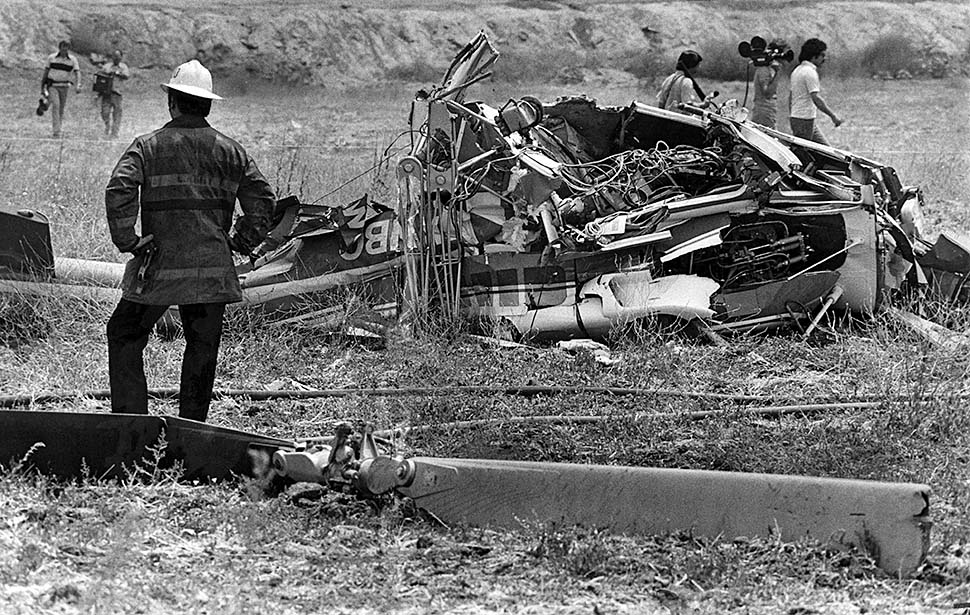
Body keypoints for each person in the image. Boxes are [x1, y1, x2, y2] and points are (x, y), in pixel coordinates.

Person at [104, 59, 275, 422]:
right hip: (211, 272)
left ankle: (134, 427)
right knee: (202, 346)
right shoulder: (232, 151)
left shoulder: (147, 147)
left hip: (158, 267)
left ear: (172, 101)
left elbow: (120, 187)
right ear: (208, 104)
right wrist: (242, 241)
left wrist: (129, 239)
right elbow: (263, 200)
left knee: (124, 333)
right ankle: (190, 430)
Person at [789, 38, 843, 145]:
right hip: (805, 120)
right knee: (804, 154)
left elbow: (790, 97)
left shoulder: (797, 70)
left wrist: (793, 115)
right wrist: (833, 117)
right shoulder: (809, 73)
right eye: (822, 55)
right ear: (814, 57)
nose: (824, 58)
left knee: (827, 151)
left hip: (801, 119)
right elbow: (816, 99)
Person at [41, 41, 81, 138]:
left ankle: (45, 105)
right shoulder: (52, 58)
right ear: (59, 47)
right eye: (63, 47)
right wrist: (42, 87)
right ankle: (56, 132)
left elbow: (77, 72)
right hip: (53, 85)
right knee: (56, 105)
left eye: (67, 47)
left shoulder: (72, 60)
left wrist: (78, 84)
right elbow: (46, 72)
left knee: (60, 109)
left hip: (64, 87)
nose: (65, 49)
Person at [749, 39, 790, 129]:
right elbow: (768, 93)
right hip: (764, 114)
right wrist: (778, 73)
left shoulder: (768, 69)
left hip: (767, 112)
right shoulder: (764, 70)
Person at [96, 50, 131, 138]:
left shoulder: (123, 67)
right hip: (106, 93)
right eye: (114, 56)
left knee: (117, 114)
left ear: (121, 57)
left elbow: (126, 76)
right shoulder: (107, 66)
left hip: (117, 93)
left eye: (118, 56)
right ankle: (107, 126)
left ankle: (114, 133)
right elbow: (99, 76)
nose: (116, 58)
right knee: (105, 112)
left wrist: (117, 73)